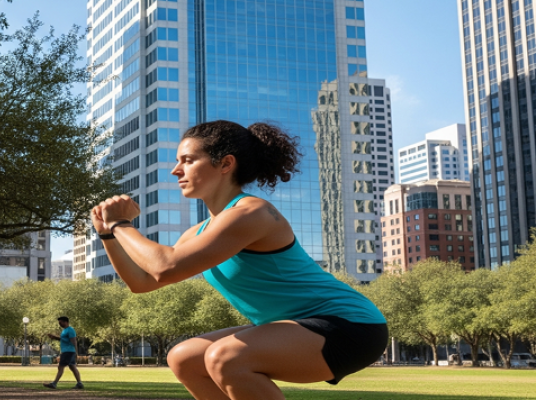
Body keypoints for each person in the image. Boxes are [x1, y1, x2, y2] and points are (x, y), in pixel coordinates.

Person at [91, 120, 388, 400]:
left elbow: (165, 265)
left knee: (226, 357)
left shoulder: (252, 212)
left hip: (350, 327)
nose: (176, 170)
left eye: (188, 160)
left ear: (225, 164)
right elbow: (144, 281)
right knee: (184, 358)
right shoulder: (199, 233)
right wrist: (108, 235)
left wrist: (122, 224)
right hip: (295, 326)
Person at [43, 316, 83, 389]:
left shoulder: (70, 330)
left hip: (68, 351)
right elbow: (64, 339)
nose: (59, 324)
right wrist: (55, 337)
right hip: (66, 351)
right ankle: (79, 383)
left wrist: (76, 353)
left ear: (66, 322)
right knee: (72, 367)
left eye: (60, 322)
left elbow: (74, 341)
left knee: (60, 367)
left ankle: (54, 383)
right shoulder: (64, 330)